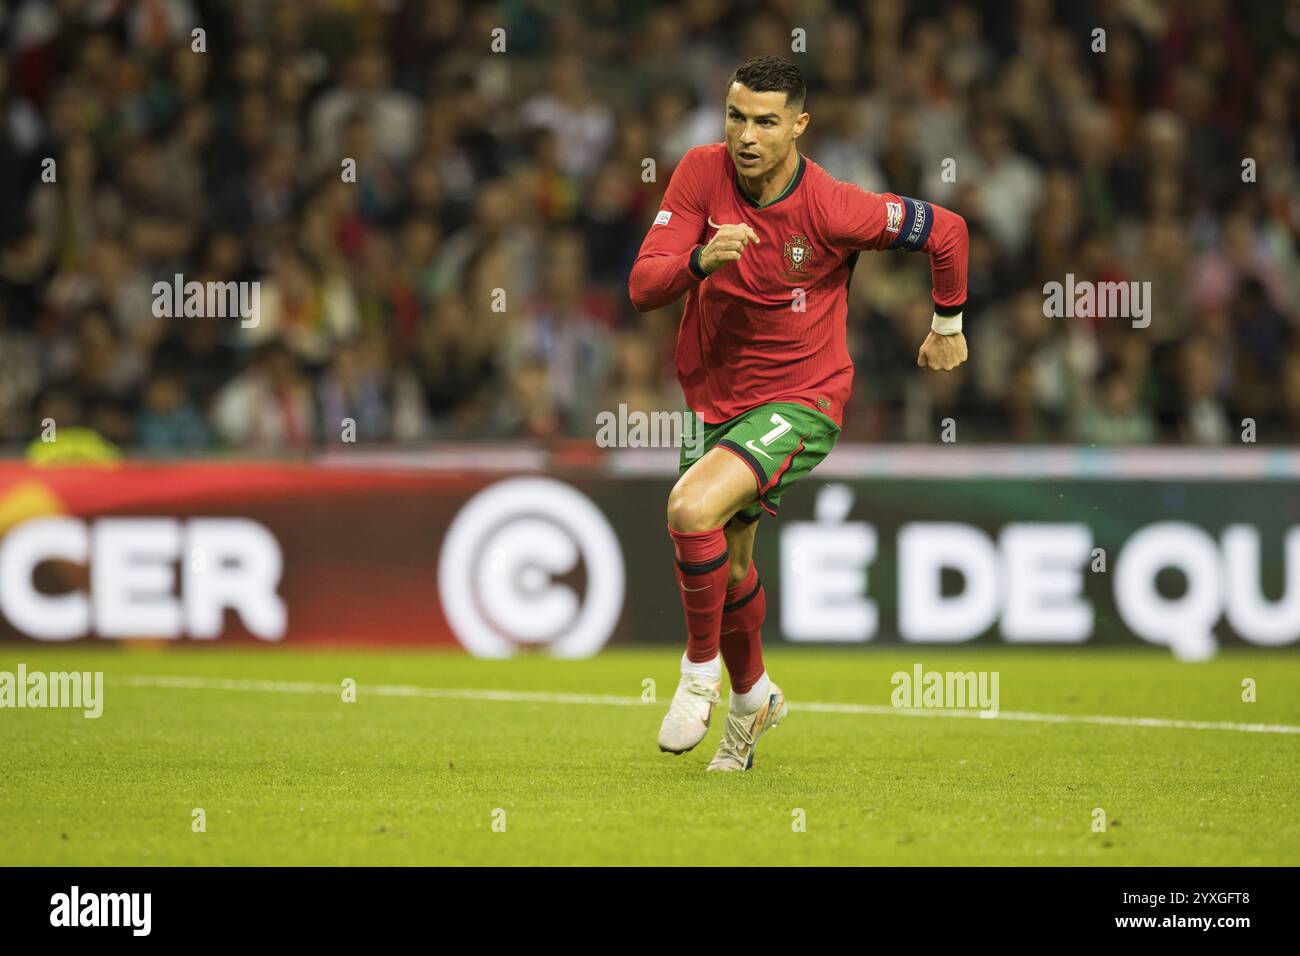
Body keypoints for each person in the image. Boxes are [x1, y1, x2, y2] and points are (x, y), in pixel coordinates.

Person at [629, 55, 969, 772]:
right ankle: (753, 703)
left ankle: (698, 679)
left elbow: (948, 231)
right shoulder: (699, 172)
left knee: (691, 510)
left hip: (802, 399)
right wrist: (698, 260)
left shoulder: (834, 207)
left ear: (798, 126)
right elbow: (642, 285)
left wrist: (947, 325)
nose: (745, 136)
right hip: (711, 398)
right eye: (735, 116)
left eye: (765, 121)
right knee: (731, 565)